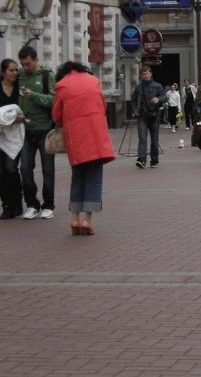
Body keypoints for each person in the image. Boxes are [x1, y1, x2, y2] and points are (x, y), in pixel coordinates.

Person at [52, 61, 116, 236]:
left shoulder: (62, 85)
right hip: (96, 135)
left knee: (78, 176)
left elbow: (56, 114)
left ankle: (74, 218)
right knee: (94, 177)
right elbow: (103, 105)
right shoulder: (93, 80)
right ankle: (87, 220)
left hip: (75, 137)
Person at [17, 46, 56, 220]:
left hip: (45, 130)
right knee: (25, 168)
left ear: (35, 60)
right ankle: (32, 204)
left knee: (48, 169)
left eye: (28, 64)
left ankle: (48, 205)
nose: (26, 67)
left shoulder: (47, 76)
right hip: (26, 130)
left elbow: (54, 100)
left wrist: (34, 96)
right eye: (23, 65)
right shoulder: (20, 76)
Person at [0, 59, 25, 220]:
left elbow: (24, 110)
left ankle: (17, 204)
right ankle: (7, 206)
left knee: (10, 168)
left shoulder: (20, 90)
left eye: (16, 70)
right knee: (0, 172)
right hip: (0, 133)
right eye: (11, 70)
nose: (15, 73)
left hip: (15, 135)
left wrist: (19, 118)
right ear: (3, 72)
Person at [131, 66, 166, 169]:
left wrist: (158, 99)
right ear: (141, 76)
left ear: (151, 74)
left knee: (154, 140)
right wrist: (134, 110)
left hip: (154, 116)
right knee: (142, 138)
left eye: (147, 73)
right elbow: (133, 100)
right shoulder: (138, 87)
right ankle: (141, 159)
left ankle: (154, 160)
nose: (145, 75)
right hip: (142, 116)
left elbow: (165, 97)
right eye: (143, 74)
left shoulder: (157, 86)